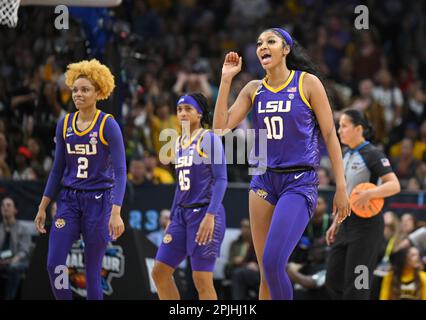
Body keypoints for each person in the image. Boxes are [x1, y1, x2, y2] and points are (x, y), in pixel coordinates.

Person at [213, 27, 351, 300]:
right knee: (266, 272)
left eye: (271, 42)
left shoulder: (307, 83)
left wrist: (341, 185)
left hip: (299, 181)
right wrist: (226, 81)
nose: (263, 46)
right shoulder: (254, 89)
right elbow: (219, 129)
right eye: (259, 43)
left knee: (274, 261)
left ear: (286, 49)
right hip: (264, 179)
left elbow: (329, 135)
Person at [33, 59, 127, 300]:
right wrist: (43, 205)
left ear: (98, 92)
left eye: (85, 89)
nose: (78, 94)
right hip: (69, 201)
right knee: (55, 265)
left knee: (93, 273)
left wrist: (116, 211)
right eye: (75, 89)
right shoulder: (64, 124)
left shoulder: (108, 124)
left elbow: (120, 171)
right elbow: (56, 169)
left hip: (100, 201)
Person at [151, 93, 227, 300]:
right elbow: (180, 186)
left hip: (205, 213)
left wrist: (210, 216)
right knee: (159, 273)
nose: (182, 113)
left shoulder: (209, 138)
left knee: (202, 280)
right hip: (181, 215)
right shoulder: (178, 142)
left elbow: (221, 180)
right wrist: (173, 216)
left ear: (200, 114)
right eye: (179, 109)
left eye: (188, 109)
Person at [325, 109, 401, 300]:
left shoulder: (372, 154)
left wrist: (369, 193)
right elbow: (347, 193)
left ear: (358, 129)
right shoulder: (345, 154)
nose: (339, 130)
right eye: (339, 126)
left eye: (344, 126)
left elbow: (394, 184)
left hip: (367, 226)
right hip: (346, 223)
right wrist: (336, 222)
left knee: (358, 283)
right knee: (332, 279)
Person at [0, 197, 32, 300]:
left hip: (18, 261)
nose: (5, 208)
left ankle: (10, 297)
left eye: (8, 205)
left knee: (14, 267)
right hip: (1, 261)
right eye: (3, 205)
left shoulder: (23, 229)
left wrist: (14, 259)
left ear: (15, 210)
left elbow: (24, 251)